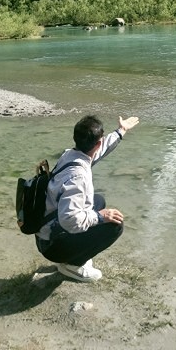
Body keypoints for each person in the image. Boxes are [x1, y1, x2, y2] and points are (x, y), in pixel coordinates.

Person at [35, 114, 139, 282]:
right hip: (51, 246)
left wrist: (121, 131)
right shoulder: (79, 178)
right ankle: (72, 265)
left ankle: (74, 254)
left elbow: (100, 149)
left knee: (98, 201)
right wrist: (100, 216)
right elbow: (70, 219)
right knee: (115, 226)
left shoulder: (70, 155)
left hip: (46, 232)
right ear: (97, 143)